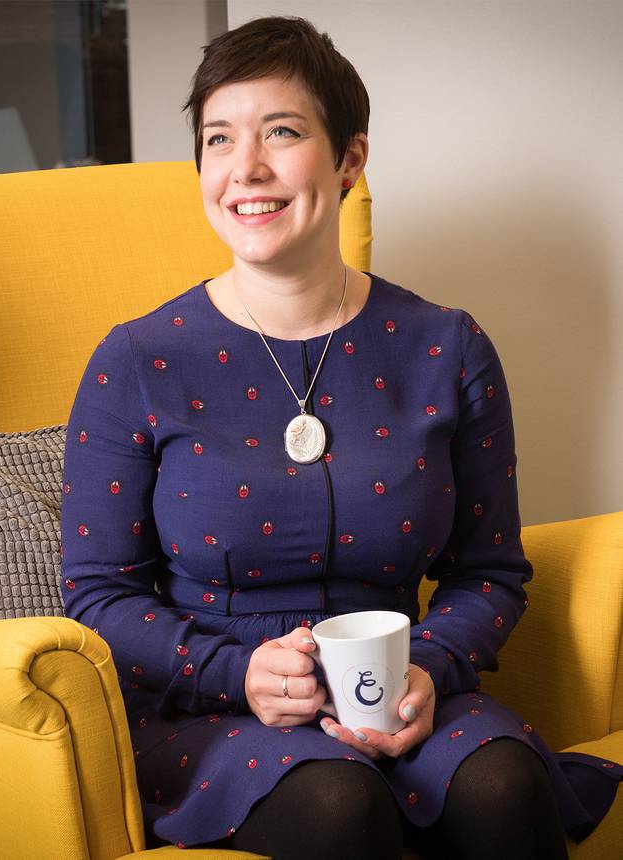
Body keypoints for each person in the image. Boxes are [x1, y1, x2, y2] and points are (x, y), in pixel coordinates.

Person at [60, 15, 621, 860]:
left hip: (403, 694)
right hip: (212, 711)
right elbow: (98, 593)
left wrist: (427, 668)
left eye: (281, 133)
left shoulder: (447, 347)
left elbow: (492, 573)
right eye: (219, 139)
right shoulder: (135, 360)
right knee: (337, 804)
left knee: (506, 787)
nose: (245, 169)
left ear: (351, 158)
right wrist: (235, 672)